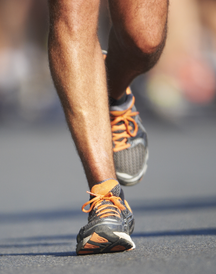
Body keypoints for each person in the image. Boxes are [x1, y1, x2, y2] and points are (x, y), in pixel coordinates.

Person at [47, 0, 169, 255]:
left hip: (137, 48)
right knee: (72, 16)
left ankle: (111, 95)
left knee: (144, 40)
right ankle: (106, 198)